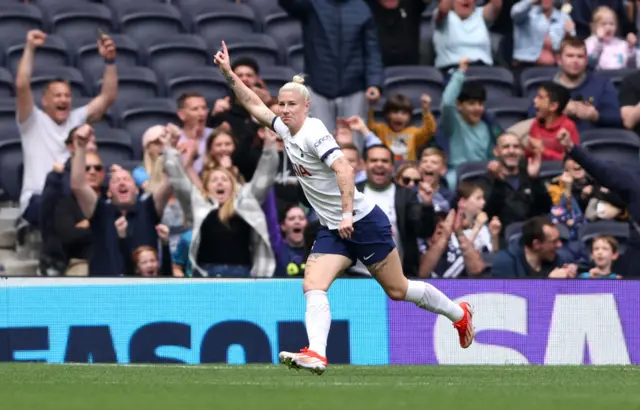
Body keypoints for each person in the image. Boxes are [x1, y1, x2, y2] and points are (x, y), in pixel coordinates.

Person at [214, 41, 475, 375]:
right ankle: (317, 354)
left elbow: (345, 169)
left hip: (363, 222)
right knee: (313, 285)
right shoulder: (283, 127)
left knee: (398, 290)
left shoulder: (313, 132)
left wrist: (348, 213)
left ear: (307, 106)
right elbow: (254, 105)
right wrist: (228, 74)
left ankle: (459, 314)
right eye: (281, 104)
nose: (284, 110)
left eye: (292, 104)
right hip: (332, 228)